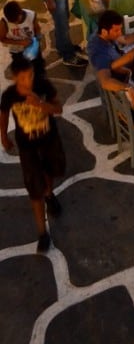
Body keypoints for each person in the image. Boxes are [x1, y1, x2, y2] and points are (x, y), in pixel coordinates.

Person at [0, 55, 65, 253]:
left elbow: (58, 109)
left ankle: (49, 194)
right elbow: (3, 115)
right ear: (15, 78)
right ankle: (42, 233)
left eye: (30, 75)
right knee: (34, 189)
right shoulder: (9, 96)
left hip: (49, 140)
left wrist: (40, 104)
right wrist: (3, 135)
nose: (28, 81)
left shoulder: (43, 86)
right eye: (23, 78)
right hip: (27, 147)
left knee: (50, 172)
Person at [0, 0, 41, 68]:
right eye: (12, 22)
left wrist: (37, 37)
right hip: (16, 51)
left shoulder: (31, 15)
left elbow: (37, 28)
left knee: (38, 66)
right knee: (22, 69)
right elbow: (2, 39)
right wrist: (20, 42)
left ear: (20, 13)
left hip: (32, 47)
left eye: (17, 20)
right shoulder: (4, 22)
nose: (15, 23)